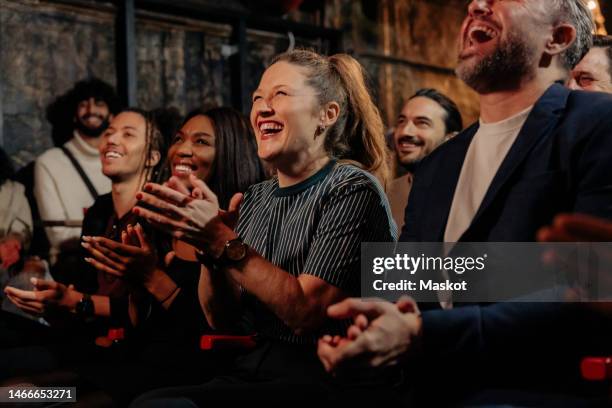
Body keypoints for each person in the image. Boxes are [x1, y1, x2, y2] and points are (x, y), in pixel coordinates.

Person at [318, 0, 612, 405]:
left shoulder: (597, 122)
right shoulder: (438, 164)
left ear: (558, 38)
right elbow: (403, 277)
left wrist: (424, 331)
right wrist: (367, 327)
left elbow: (593, 285)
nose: (476, 4)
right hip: (424, 386)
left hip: (535, 388)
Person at [129, 49, 396, 406]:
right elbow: (221, 321)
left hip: (329, 378)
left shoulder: (351, 188)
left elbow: (305, 314)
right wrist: (212, 251)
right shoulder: (256, 197)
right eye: (257, 98)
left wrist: (224, 241)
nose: (262, 108)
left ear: (327, 114)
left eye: (280, 95)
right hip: (256, 369)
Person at [34, 78, 120, 265]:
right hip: (76, 266)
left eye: (99, 103)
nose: (91, 110)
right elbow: (59, 236)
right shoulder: (48, 163)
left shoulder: (123, 159)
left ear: (112, 115)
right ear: (73, 115)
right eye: (83, 104)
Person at [387, 89, 462, 230]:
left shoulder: (474, 194)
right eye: (401, 122)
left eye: (422, 123)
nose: (405, 131)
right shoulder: (384, 196)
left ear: (451, 139)